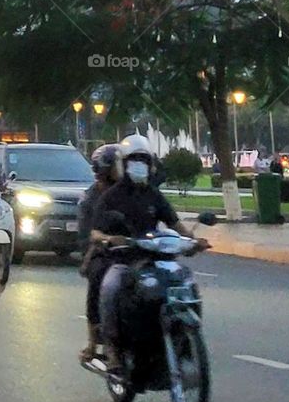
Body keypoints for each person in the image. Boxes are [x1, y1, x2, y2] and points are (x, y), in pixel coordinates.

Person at [92, 134, 209, 372]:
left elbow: (175, 224)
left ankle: (184, 340)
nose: (139, 164)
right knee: (111, 287)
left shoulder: (153, 195)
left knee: (185, 283)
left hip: (155, 259)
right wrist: (109, 239)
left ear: (150, 163)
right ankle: (113, 350)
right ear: (123, 163)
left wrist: (194, 241)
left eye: (143, 159)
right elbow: (95, 232)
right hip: (123, 259)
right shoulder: (112, 196)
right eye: (133, 159)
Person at [77, 143, 120, 363]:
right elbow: (87, 235)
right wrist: (102, 242)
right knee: (99, 278)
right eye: (116, 166)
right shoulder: (92, 198)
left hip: (133, 250)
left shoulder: (131, 191)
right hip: (102, 252)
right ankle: (95, 342)